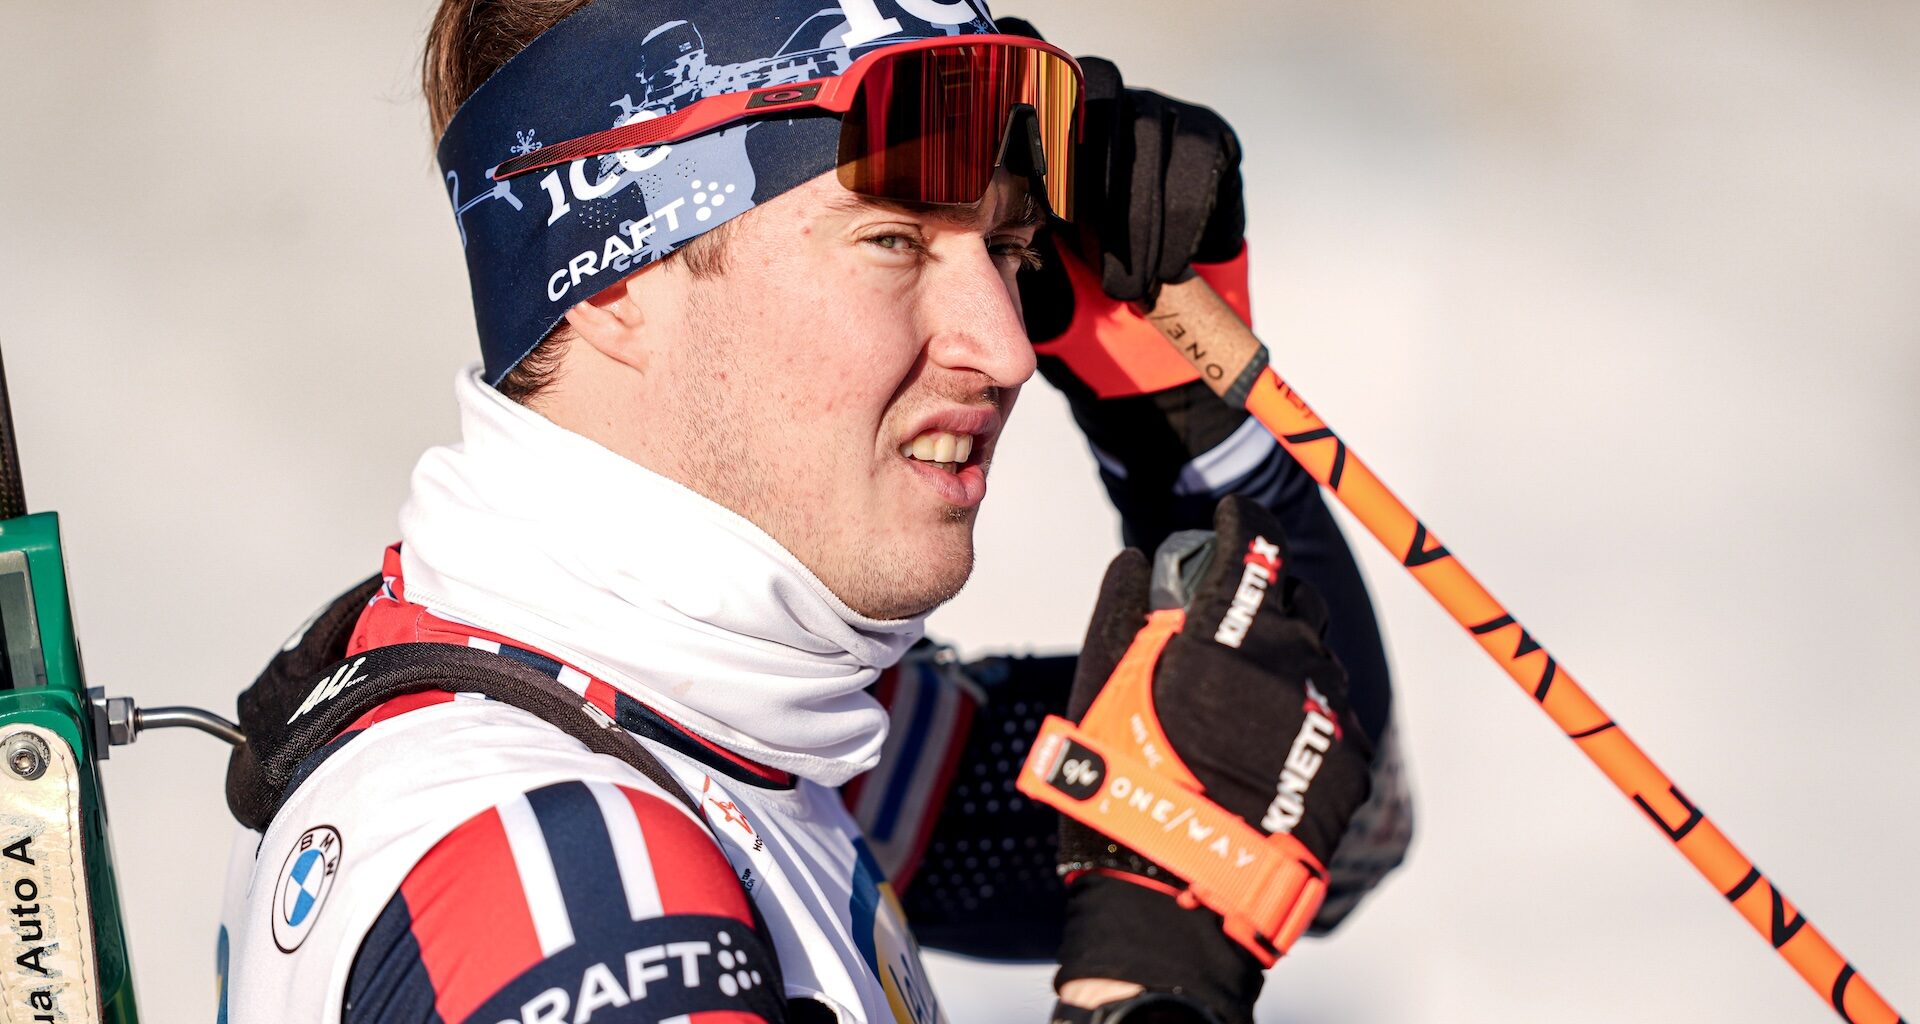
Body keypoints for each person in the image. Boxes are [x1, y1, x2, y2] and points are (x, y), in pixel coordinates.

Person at [214, 2, 1411, 1022]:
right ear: (616, 277)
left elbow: (1320, 810)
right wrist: (1146, 992)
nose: (1005, 347)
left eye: (1006, 249)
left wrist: (1187, 424)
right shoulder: (567, 879)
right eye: (893, 238)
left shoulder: (719, 711)